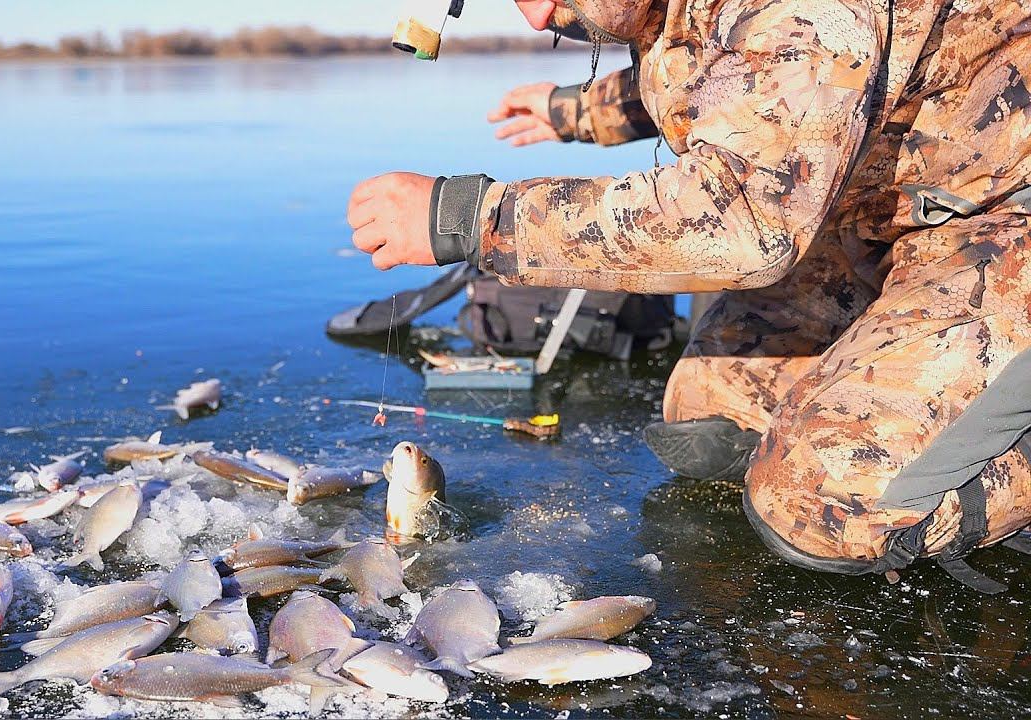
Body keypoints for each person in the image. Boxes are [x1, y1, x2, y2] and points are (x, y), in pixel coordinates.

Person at [347, 0, 1031, 591]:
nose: (535, 15)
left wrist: (473, 219)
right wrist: (578, 111)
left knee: (822, 500)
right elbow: (739, 71)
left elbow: (743, 218)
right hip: (893, 223)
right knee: (710, 412)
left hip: (1005, 224)